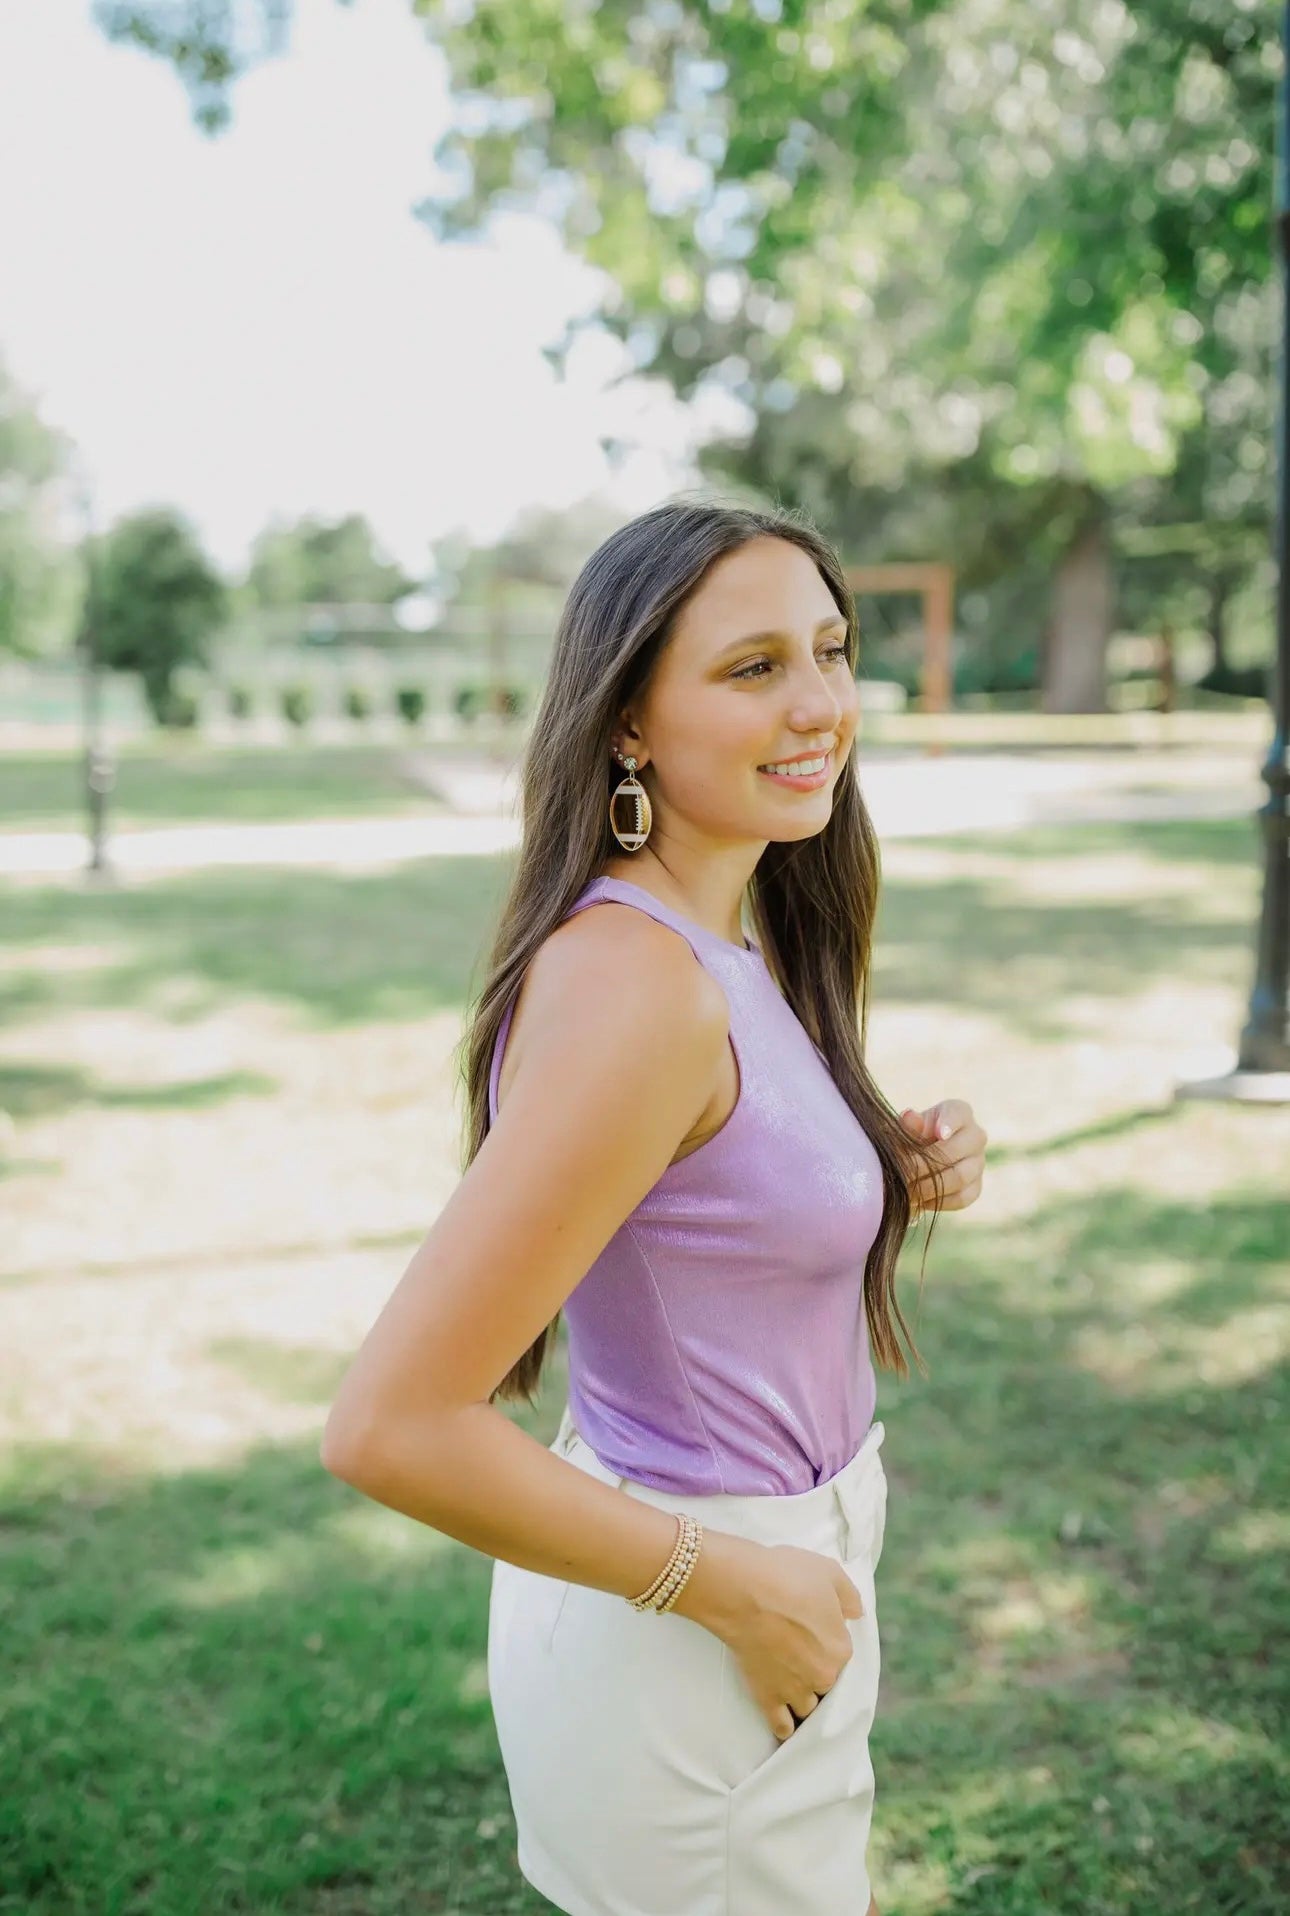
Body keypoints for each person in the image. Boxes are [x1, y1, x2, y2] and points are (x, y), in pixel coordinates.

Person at [321, 499, 988, 1914]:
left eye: (828, 649)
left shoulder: (721, 939)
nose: (817, 703)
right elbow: (390, 1426)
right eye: (751, 669)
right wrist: (736, 1589)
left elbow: (691, 1205)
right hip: (696, 1621)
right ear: (628, 722)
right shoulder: (640, 987)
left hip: (758, 1587)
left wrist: (880, 1163)